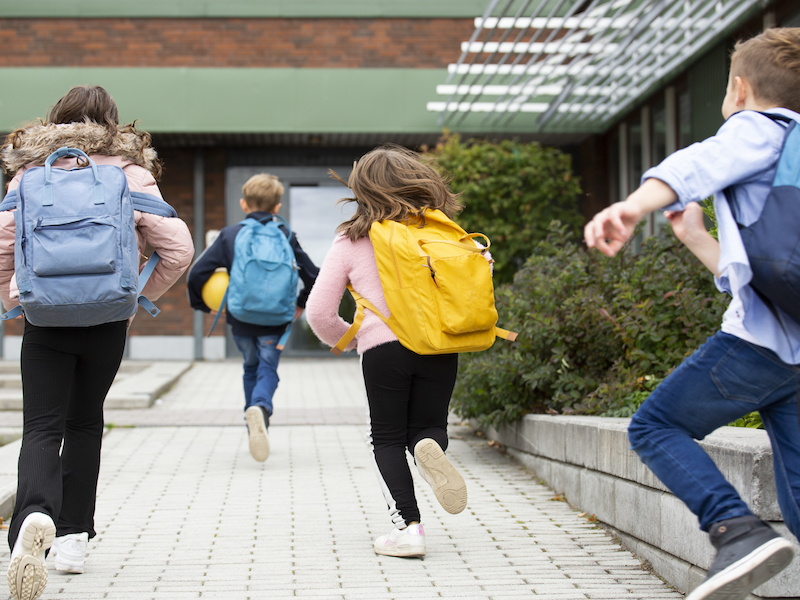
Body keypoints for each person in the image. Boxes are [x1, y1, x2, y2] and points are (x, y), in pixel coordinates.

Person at [584, 28, 800, 600]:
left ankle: (736, 531)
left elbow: (696, 163)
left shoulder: (758, 126)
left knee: (655, 424)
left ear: (739, 87)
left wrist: (631, 207)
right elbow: (771, 266)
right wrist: (699, 239)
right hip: (793, 360)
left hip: (759, 345)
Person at [0, 84, 194, 600]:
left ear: (56, 120)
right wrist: (135, 297)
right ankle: (73, 540)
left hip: (44, 319)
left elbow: (1, 244)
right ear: (112, 122)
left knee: (41, 424)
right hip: (108, 318)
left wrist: (14, 301)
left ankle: (32, 517)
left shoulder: (30, 172)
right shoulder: (131, 174)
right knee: (85, 423)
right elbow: (178, 248)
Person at [305, 145, 470, 558]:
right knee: (429, 426)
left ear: (364, 190)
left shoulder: (352, 238)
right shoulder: (443, 230)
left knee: (386, 437)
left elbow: (319, 311)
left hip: (384, 348)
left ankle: (409, 529)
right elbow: (478, 275)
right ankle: (429, 449)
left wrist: (353, 338)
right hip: (440, 345)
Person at [187, 174, 318, 463]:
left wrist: (201, 304)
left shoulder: (230, 235)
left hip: (241, 318)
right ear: (277, 207)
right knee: (267, 367)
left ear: (244, 204)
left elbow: (197, 274)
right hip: (276, 319)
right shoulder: (285, 235)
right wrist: (300, 303)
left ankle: (253, 423)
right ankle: (261, 408)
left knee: (250, 367)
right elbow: (314, 275)